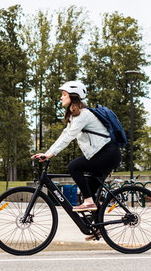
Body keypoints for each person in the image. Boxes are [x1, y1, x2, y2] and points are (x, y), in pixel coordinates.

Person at [31, 81, 122, 213]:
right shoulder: (76, 116)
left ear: (73, 96)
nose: (61, 97)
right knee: (89, 192)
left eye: (64, 94)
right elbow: (65, 134)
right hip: (101, 155)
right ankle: (96, 228)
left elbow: (70, 137)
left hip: (109, 154)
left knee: (73, 166)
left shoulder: (83, 115)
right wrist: (48, 152)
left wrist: (51, 154)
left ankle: (89, 202)